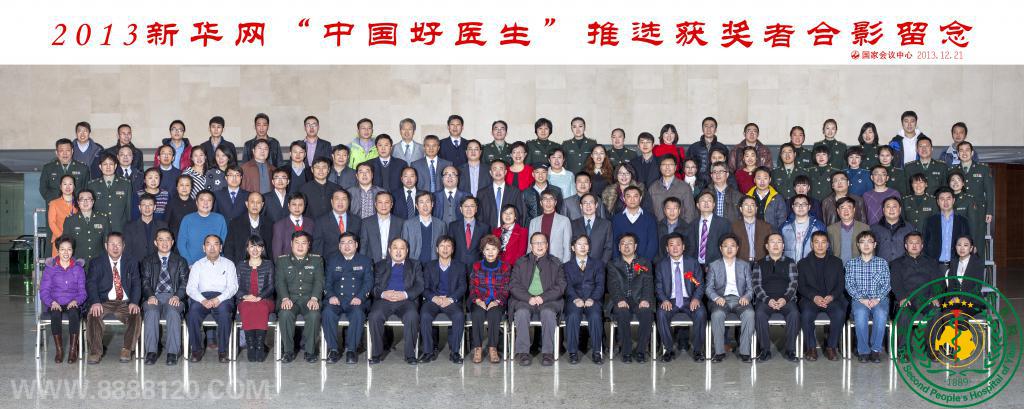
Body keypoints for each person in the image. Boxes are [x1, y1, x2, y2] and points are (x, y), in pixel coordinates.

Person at [509, 232, 566, 367]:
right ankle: (523, 352)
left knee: (548, 313)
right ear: (531, 246)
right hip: (525, 300)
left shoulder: (556, 263)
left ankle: (547, 353)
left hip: (549, 301)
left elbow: (561, 286)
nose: (540, 245)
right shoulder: (521, 262)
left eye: (543, 243)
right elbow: (513, 285)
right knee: (522, 313)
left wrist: (543, 297)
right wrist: (528, 298)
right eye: (536, 243)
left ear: (547, 245)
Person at [85, 232, 141, 364]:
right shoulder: (96, 262)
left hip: (125, 302)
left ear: (123, 246)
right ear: (106, 246)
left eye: (118, 244)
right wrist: (95, 302)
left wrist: (134, 302)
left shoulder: (132, 262)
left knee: (135, 313)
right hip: (104, 301)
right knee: (94, 314)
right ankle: (95, 352)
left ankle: (127, 349)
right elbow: (91, 284)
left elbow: (136, 283)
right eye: (112, 244)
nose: (115, 247)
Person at [367, 238, 424, 365]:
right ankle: (376, 354)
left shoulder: (415, 265)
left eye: (402, 248)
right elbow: (373, 286)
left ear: (407, 251)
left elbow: (420, 285)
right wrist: (383, 294)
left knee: (412, 316)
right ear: (389, 250)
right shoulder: (380, 265)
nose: (398, 251)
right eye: (395, 248)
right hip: (384, 300)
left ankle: (410, 355)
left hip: (406, 300)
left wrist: (404, 294)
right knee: (374, 316)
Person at [183, 234, 236, 363]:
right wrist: (203, 300)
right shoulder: (197, 265)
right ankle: (196, 350)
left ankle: (222, 351)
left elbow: (233, 287)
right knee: (192, 313)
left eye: (215, 244)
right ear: (203, 248)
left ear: (221, 247)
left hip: (223, 298)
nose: (212, 248)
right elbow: (190, 288)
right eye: (208, 244)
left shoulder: (229, 264)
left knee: (224, 313)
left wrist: (218, 299)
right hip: (202, 298)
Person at [655, 232, 707, 362]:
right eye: (671, 245)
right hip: (670, 300)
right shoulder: (661, 265)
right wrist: (664, 300)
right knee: (661, 313)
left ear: (683, 247)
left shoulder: (692, 263)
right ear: (667, 248)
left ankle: (697, 350)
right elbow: (658, 287)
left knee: (701, 313)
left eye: (678, 244)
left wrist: (696, 298)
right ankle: (668, 349)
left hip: (689, 299)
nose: (675, 248)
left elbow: (700, 284)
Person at [322, 232, 374, 364]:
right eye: (343, 243)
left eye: (350, 242)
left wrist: (360, 297)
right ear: (339, 246)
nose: (346, 246)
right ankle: (333, 349)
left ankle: (351, 350)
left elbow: (368, 283)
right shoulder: (332, 260)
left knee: (358, 314)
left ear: (356, 245)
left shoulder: (365, 261)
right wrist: (331, 295)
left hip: (356, 299)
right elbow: (327, 282)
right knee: (327, 312)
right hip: (336, 299)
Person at [140, 228, 188, 365]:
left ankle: (172, 353)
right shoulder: (148, 261)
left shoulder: (180, 261)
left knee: (173, 312)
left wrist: (177, 296)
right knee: (151, 311)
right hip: (153, 296)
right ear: (155, 242)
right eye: (161, 239)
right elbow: (145, 282)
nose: (164, 243)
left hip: (174, 296)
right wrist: (150, 295)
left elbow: (185, 283)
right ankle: (151, 352)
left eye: (168, 239)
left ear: (172, 242)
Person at [275, 231, 324, 363]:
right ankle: (288, 351)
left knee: (314, 315)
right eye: (297, 243)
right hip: (290, 299)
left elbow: (319, 281)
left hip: (309, 299)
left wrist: (314, 298)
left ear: (309, 245)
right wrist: (285, 298)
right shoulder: (282, 261)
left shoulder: (317, 260)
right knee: (285, 314)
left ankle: (310, 351)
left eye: (304, 243)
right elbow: (280, 282)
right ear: (291, 244)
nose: (300, 246)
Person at [797, 232, 847, 361]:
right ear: (811, 245)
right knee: (806, 314)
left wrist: (832, 296)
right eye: (816, 242)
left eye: (823, 242)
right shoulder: (803, 263)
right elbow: (801, 286)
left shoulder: (837, 262)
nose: (820, 245)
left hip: (831, 299)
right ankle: (811, 348)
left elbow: (841, 284)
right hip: (810, 299)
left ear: (828, 244)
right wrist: (814, 297)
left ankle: (831, 347)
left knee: (839, 313)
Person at [889, 232, 942, 354]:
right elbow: (895, 282)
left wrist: (934, 296)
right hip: (907, 299)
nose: (914, 245)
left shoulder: (931, 262)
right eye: (911, 243)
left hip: (926, 299)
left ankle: (933, 349)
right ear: (906, 245)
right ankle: (904, 350)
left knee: (936, 311)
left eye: (917, 243)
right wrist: (902, 297)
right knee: (904, 313)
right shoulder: (897, 263)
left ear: (922, 245)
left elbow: (939, 282)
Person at [417, 235, 468, 364]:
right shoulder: (429, 266)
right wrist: (434, 298)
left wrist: (450, 299)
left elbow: (463, 287)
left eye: (448, 246)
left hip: (450, 301)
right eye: (442, 246)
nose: (445, 249)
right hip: (433, 300)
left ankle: (455, 352)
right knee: (425, 315)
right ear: (437, 249)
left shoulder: (460, 266)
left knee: (459, 316)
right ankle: (428, 352)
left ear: (452, 249)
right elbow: (424, 288)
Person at [705, 234, 755, 363]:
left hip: (740, 300)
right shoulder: (714, 265)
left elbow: (751, 287)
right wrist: (716, 298)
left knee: (749, 314)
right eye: (726, 246)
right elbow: (708, 288)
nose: (729, 249)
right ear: (720, 248)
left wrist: (746, 297)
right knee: (717, 315)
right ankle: (719, 352)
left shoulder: (744, 265)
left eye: (732, 246)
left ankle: (745, 352)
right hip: (721, 299)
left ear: (737, 248)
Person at [751, 233, 800, 362]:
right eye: (772, 242)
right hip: (765, 300)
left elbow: (794, 284)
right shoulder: (759, 263)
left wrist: (785, 298)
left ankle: (790, 350)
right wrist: (768, 300)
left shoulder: (790, 262)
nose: (776, 245)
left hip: (786, 299)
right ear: (767, 246)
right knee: (759, 314)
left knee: (794, 313)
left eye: (779, 242)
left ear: (783, 246)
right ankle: (765, 350)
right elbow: (756, 285)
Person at [845, 231, 891, 363]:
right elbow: (849, 285)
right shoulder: (851, 264)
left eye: (869, 242)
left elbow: (887, 285)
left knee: (881, 313)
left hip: (879, 298)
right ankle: (864, 351)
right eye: (862, 242)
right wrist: (862, 299)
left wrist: (877, 299)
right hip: (859, 299)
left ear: (874, 244)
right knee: (860, 313)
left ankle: (875, 350)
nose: (866, 245)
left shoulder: (882, 263)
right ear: (858, 245)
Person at [40, 236, 87, 364]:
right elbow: (44, 291)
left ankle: (73, 350)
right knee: (55, 314)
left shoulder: (78, 269)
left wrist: (76, 301)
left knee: (74, 313)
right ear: (58, 250)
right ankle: (59, 351)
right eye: (62, 249)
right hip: (55, 302)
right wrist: (51, 302)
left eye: (69, 249)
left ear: (73, 251)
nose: (66, 252)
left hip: (73, 302)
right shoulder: (50, 268)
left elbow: (83, 291)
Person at [467, 235, 512, 364]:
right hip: (479, 299)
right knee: (477, 313)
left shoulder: (505, 267)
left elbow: (506, 287)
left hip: (497, 300)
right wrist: (478, 300)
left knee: (494, 313)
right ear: (483, 251)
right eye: (487, 249)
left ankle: (493, 348)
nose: (490, 252)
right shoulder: (476, 266)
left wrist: (497, 301)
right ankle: (478, 348)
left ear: (498, 250)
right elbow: (473, 286)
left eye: (493, 249)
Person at [562, 234, 605, 364]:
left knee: (595, 316)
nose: (582, 247)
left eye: (585, 244)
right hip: (574, 300)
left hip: (593, 299)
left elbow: (600, 285)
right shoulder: (566, 266)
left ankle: (597, 352)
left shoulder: (598, 264)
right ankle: (573, 352)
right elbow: (567, 285)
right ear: (573, 248)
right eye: (579, 244)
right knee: (573, 316)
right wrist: (575, 298)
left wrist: (593, 298)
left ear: (589, 247)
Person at [234, 235, 275, 362]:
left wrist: (260, 297)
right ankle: (251, 347)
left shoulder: (269, 264)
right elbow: (236, 287)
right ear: (247, 248)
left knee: (261, 307)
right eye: (252, 246)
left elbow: (271, 286)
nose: (255, 249)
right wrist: (245, 296)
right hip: (245, 300)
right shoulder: (241, 265)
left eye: (258, 246)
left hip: (265, 299)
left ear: (262, 249)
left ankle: (260, 346)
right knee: (247, 307)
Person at [951, 141, 994, 250]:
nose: (964, 153)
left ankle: (978, 261)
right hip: (959, 210)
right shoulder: (953, 170)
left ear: (972, 153)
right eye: (961, 150)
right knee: (958, 239)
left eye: (967, 150)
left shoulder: (983, 169)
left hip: (978, 211)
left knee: (977, 241)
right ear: (958, 154)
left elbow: (989, 191)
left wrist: (989, 211)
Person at [176, 190, 228, 264]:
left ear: (213, 203)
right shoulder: (187, 219)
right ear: (197, 203)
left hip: (215, 263)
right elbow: (181, 244)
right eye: (202, 200)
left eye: (209, 200)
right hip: (192, 264)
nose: (205, 203)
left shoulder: (220, 219)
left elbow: (224, 242)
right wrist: (189, 263)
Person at [62, 189, 110, 266]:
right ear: (78, 202)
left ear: (93, 201)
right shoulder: (70, 221)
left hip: (98, 264)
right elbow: (65, 244)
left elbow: (107, 243)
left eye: (88, 199)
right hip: (77, 264)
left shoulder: (103, 220)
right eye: (82, 199)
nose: (85, 202)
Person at [923, 188, 971, 264]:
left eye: (948, 199)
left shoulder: (962, 221)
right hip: (935, 264)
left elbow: (967, 242)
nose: (945, 202)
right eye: (942, 199)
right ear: (938, 202)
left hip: (956, 264)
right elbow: (925, 243)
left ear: (953, 200)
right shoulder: (930, 221)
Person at [685, 191, 733, 266]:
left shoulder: (724, 224)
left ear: (714, 205)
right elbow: (689, 248)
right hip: (696, 266)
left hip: (717, 265)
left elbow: (727, 246)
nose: (706, 203)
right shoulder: (691, 225)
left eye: (709, 201)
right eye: (703, 201)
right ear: (698, 205)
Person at [611, 186, 658, 261]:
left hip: (644, 264)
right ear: (624, 199)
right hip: (621, 265)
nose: (632, 199)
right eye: (628, 196)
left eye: (635, 196)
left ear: (640, 198)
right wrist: (618, 263)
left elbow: (653, 244)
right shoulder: (616, 219)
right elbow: (614, 243)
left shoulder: (650, 218)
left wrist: (643, 263)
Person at [87, 153, 132, 232]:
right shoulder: (92, 185)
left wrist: (129, 227)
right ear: (100, 167)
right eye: (105, 164)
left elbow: (128, 208)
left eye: (111, 164)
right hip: (99, 228)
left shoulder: (125, 184)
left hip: (119, 227)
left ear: (115, 166)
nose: (108, 167)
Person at [948, 171, 988, 259]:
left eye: (958, 180)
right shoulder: (946, 198)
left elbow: (973, 224)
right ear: (949, 183)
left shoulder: (969, 200)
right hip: (948, 239)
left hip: (963, 240)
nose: (955, 182)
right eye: (952, 180)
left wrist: (973, 243)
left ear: (963, 183)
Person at [476, 159, 525, 229]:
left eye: (501, 169)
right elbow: (479, 216)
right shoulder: (482, 193)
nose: (498, 172)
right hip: (487, 233)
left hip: (509, 232)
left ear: (505, 172)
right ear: (490, 172)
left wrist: (514, 230)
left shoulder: (515, 192)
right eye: (495, 169)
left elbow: (519, 214)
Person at [226, 192, 275, 262]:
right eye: (252, 202)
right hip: (240, 264)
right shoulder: (235, 223)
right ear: (247, 204)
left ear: (262, 205)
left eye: (258, 202)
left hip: (263, 265)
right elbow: (229, 248)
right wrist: (232, 265)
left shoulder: (269, 224)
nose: (255, 205)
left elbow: (270, 249)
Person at [647, 155, 698, 223]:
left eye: (670, 164)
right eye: (664, 164)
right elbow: (648, 211)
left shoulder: (685, 187)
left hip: (680, 228)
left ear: (675, 167)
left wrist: (684, 228)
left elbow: (690, 213)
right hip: (658, 227)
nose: (667, 167)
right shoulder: (653, 188)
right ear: (660, 167)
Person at [312, 190, 361, 258]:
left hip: (353, 261)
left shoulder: (357, 220)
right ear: (332, 202)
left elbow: (360, 244)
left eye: (344, 199)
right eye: (337, 199)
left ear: (348, 202)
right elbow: (317, 247)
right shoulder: (321, 221)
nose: (340, 202)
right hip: (329, 261)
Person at [402, 192, 448, 263]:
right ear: (417, 206)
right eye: (421, 202)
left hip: (434, 265)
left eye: (427, 202)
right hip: (414, 264)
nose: (425, 205)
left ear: (432, 204)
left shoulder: (441, 224)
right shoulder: (408, 224)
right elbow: (403, 247)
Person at [40, 138, 89, 203]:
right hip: (54, 206)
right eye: (61, 151)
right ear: (56, 152)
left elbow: (86, 190)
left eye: (68, 150)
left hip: (75, 206)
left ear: (72, 151)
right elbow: (43, 189)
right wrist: (56, 203)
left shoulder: (83, 168)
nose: (65, 154)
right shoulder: (48, 168)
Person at [944, 236, 985, 315]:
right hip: (955, 301)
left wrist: (960, 299)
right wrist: (951, 298)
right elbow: (951, 285)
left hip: (972, 301)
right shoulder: (953, 262)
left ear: (971, 248)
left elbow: (977, 288)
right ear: (955, 247)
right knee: (944, 315)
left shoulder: (977, 263)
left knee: (959, 315)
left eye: (965, 245)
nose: (962, 248)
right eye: (959, 245)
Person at [527, 190, 571, 263]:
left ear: (555, 202)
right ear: (541, 203)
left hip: (557, 263)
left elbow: (567, 246)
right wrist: (529, 263)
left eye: (551, 199)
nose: (548, 202)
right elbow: (530, 246)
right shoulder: (533, 222)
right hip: (537, 262)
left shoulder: (564, 221)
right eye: (545, 199)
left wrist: (565, 265)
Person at [780, 194, 827, 261]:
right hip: (789, 265)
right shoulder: (784, 227)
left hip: (811, 265)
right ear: (792, 207)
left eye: (804, 204)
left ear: (809, 207)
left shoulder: (818, 226)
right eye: (797, 204)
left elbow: (826, 248)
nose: (800, 207)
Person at [123, 194, 168, 263]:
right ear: (139, 207)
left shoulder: (163, 226)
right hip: (136, 266)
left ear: (154, 207)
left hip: (157, 265)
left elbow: (166, 248)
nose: (147, 208)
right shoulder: (129, 227)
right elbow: (127, 252)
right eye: (144, 205)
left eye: (150, 205)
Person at [359, 191, 404, 261]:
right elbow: (363, 246)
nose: (383, 206)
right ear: (375, 204)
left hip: (394, 262)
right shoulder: (366, 222)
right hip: (372, 262)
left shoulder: (400, 222)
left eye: (387, 202)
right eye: (380, 202)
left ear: (391, 204)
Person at [572, 193, 614, 264]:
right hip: (577, 265)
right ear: (581, 206)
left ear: (596, 205)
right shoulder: (573, 224)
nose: (588, 205)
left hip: (599, 266)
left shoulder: (606, 224)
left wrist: (601, 265)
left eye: (591, 202)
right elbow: (571, 246)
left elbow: (608, 248)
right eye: (585, 203)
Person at [827, 197, 871, 264]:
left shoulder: (865, 228)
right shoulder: (830, 229)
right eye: (842, 208)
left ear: (854, 210)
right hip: (837, 267)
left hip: (859, 267)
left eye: (849, 207)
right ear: (838, 211)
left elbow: (870, 252)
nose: (846, 211)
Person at [871, 197, 916, 262]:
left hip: (904, 266)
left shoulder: (909, 228)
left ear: (900, 209)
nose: (891, 210)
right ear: (883, 210)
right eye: (888, 207)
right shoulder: (873, 229)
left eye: (894, 207)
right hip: (881, 267)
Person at [272, 193, 316, 258]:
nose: (297, 208)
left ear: (304, 206)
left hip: (308, 263)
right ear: (288, 205)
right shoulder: (279, 226)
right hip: (287, 263)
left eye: (300, 205)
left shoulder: (311, 223)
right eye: (294, 204)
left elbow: (314, 247)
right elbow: (277, 253)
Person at [450, 196, 490, 266]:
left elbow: (486, 249)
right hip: (457, 266)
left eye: (472, 206)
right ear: (461, 209)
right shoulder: (453, 226)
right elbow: (450, 247)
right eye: (466, 206)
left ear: (476, 209)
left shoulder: (485, 228)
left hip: (477, 267)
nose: (469, 209)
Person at [687, 117, 729, 182]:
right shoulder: (693, 147)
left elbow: (727, 167)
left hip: (717, 181)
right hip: (697, 182)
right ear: (702, 129)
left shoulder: (722, 147)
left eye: (711, 126)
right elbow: (687, 166)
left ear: (715, 130)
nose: (708, 129)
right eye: (706, 126)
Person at [733, 196, 772, 263]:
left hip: (762, 262)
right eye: (746, 205)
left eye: (752, 205)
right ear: (741, 209)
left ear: (756, 209)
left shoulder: (766, 227)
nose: (749, 208)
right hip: (741, 263)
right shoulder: (734, 227)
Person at [48, 175, 78, 255]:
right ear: (60, 187)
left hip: (76, 240)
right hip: (59, 240)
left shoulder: (79, 203)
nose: (67, 187)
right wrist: (62, 238)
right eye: (65, 184)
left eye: (70, 184)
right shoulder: (54, 203)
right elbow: (52, 223)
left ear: (74, 186)